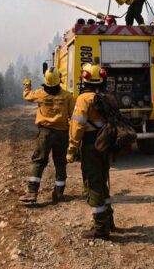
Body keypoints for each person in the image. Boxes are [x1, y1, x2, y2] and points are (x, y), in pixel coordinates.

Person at [66, 63, 115, 240]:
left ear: (84, 78)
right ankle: (109, 220)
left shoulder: (83, 99)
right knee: (102, 181)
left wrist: (72, 148)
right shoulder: (106, 96)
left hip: (90, 145)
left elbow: (77, 126)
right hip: (105, 144)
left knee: (93, 184)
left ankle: (100, 228)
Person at [19, 69, 75, 205]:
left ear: (46, 81)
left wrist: (27, 85)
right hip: (62, 133)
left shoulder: (40, 94)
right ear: (59, 79)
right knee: (60, 163)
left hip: (45, 133)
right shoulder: (67, 96)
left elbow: (26, 96)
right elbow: (72, 115)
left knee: (39, 161)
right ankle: (59, 193)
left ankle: (32, 192)